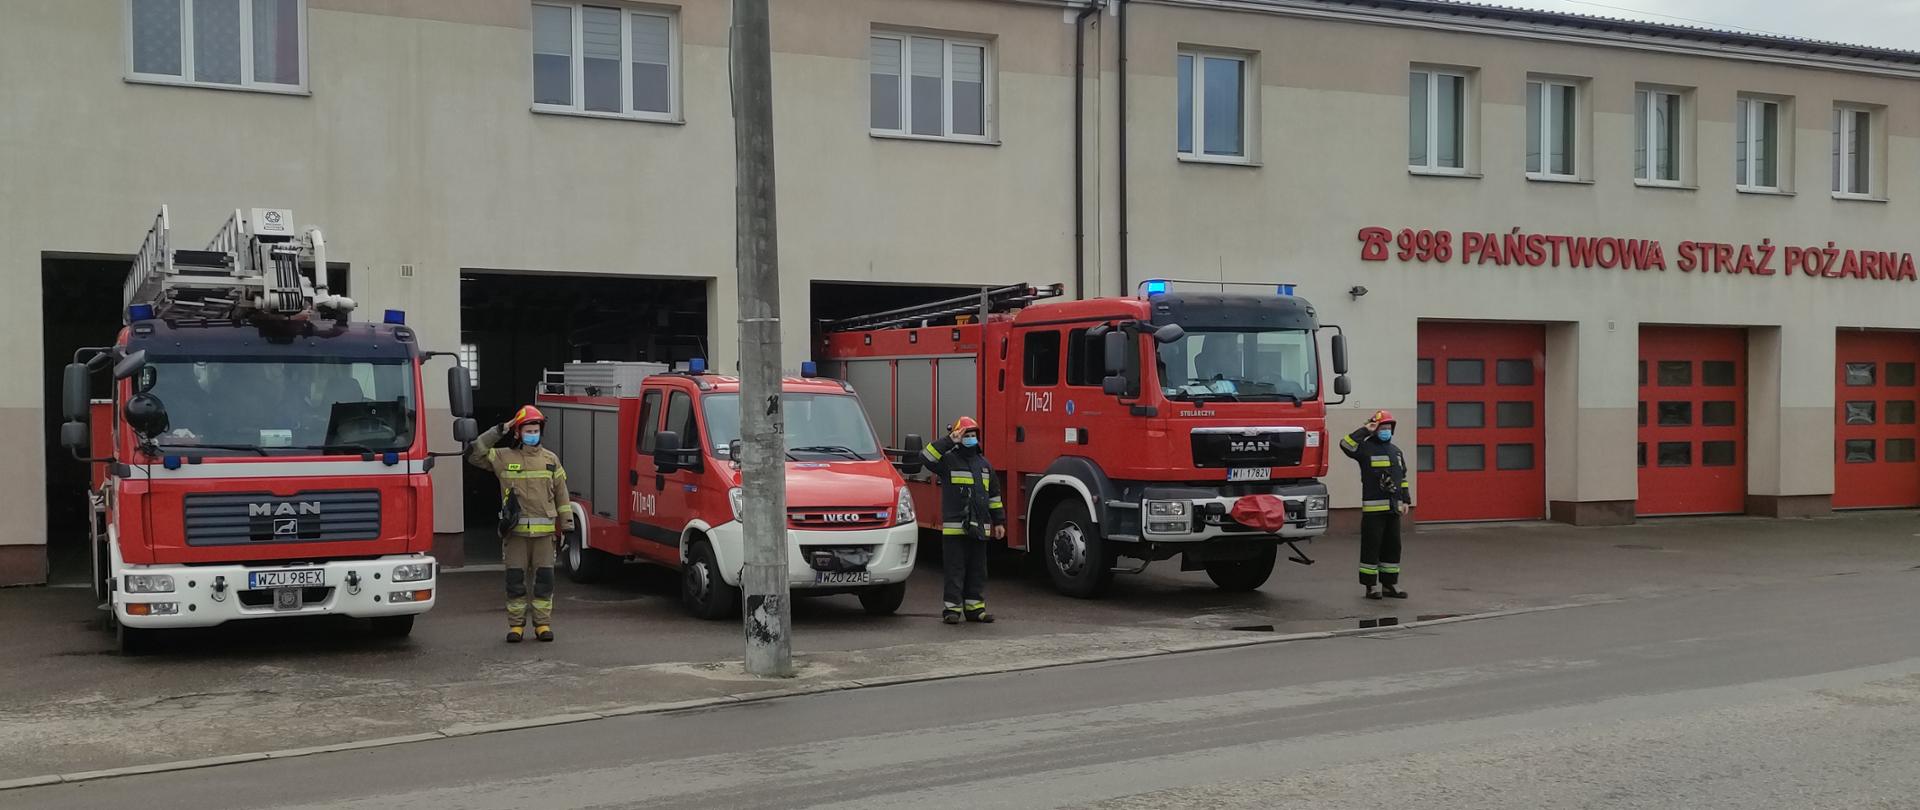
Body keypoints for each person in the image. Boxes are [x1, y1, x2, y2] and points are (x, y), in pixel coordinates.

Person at [467, 404, 574, 642]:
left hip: (545, 536)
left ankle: (542, 624)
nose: (532, 434)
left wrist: (567, 526)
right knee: (515, 581)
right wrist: (500, 429)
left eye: (535, 430)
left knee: (544, 582)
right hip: (515, 534)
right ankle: (516, 626)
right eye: (527, 430)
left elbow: (562, 494)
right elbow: (475, 453)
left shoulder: (550, 460)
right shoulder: (504, 457)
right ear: (518, 432)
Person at [920, 416, 1006, 624]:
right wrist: (949, 440)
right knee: (955, 570)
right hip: (955, 529)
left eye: (973, 435)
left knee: (978, 569)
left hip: (980, 528)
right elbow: (925, 457)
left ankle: (975, 609)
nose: (970, 438)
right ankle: (952, 610)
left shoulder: (985, 465)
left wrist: (999, 522)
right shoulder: (948, 461)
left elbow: (994, 496)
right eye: (966, 435)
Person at [1339, 409, 1411, 600]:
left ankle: (1389, 585)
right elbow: (1345, 444)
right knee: (1371, 547)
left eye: (1388, 427)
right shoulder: (1365, 448)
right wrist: (1365, 430)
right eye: (1382, 427)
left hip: (1393, 509)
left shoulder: (1396, 451)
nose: (1386, 430)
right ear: (1375, 428)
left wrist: (1406, 501)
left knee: (1393, 547)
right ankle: (1370, 587)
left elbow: (1402, 478)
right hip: (1373, 511)